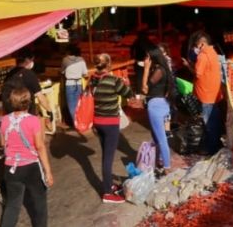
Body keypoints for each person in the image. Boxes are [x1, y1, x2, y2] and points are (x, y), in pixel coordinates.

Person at [0, 87, 54, 227]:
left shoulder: (4, 120)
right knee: (40, 204)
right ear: (28, 102)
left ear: (11, 102)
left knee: (12, 206)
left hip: (11, 167)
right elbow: (40, 147)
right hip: (31, 167)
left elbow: (2, 143)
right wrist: (48, 172)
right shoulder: (34, 121)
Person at [90, 53, 133, 203]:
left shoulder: (93, 79)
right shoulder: (114, 80)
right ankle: (107, 193)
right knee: (108, 159)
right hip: (110, 124)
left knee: (105, 156)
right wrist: (126, 83)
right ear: (109, 65)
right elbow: (129, 94)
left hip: (98, 122)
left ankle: (108, 185)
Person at [141, 45, 173, 174]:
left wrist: (146, 69)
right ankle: (159, 161)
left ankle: (166, 167)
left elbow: (144, 88)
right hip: (163, 103)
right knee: (157, 137)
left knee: (161, 138)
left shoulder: (159, 70)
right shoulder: (163, 69)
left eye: (147, 57)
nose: (146, 59)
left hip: (156, 105)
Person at [192, 32, 224, 155]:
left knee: (209, 124)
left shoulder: (203, 55)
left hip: (206, 94)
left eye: (197, 45)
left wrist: (190, 66)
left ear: (201, 44)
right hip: (214, 92)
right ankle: (215, 145)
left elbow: (198, 74)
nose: (196, 48)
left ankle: (211, 149)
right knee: (214, 121)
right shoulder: (213, 52)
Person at [2, 50, 53, 117]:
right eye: (32, 60)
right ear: (27, 60)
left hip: (10, 115)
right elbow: (40, 96)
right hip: (26, 115)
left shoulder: (10, 74)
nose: (32, 62)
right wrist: (49, 110)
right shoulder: (29, 74)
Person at [60, 45, 87, 127]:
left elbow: (62, 71)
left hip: (69, 84)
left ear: (69, 52)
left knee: (71, 105)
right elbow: (85, 73)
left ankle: (75, 123)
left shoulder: (65, 60)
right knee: (79, 103)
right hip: (79, 83)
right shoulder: (81, 60)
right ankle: (80, 122)